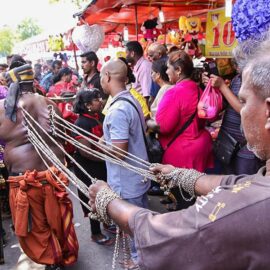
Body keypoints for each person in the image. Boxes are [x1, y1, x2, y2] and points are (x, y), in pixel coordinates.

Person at [88, 3, 270, 267]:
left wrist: (109, 202)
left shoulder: (246, 209)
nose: (239, 112)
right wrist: (184, 177)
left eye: (243, 101)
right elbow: (243, 183)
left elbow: (166, 232)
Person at [1, 63, 78, 270]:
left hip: (25, 179)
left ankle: (50, 260)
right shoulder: (49, 104)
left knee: (35, 228)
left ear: (11, 84)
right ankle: (59, 256)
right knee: (57, 221)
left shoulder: (3, 110)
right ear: (32, 81)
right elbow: (64, 136)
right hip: (51, 174)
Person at [100, 59, 150, 268]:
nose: (101, 81)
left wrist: (99, 147)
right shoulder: (132, 99)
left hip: (127, 181)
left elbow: (119, 153)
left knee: (133, 225)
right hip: (138, 176)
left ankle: (139, 261)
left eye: (102, 77)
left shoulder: (118, 109)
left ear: (108, 77)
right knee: (140, 223)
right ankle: (142, 257)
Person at [202, 63, 263, 175]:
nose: (235, 66)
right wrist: (212, 89)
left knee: (242, 185)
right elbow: (226, 103)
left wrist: (222, 86)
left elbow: (245, 110)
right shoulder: (237, 78)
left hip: (245, 147)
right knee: (228, 183)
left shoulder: (255, 81)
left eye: (239, 62)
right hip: (229, 143)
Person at [73, 88, 113, 246]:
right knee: (92, 197)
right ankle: (95, 232)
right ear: (88, 105)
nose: (101, 101)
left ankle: (107, 222)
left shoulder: (99, 116)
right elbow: (87, 152)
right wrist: (110, 157)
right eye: (97, 99)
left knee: (106, 192)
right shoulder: (81, 123)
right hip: (88, 166)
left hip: (102, 162)